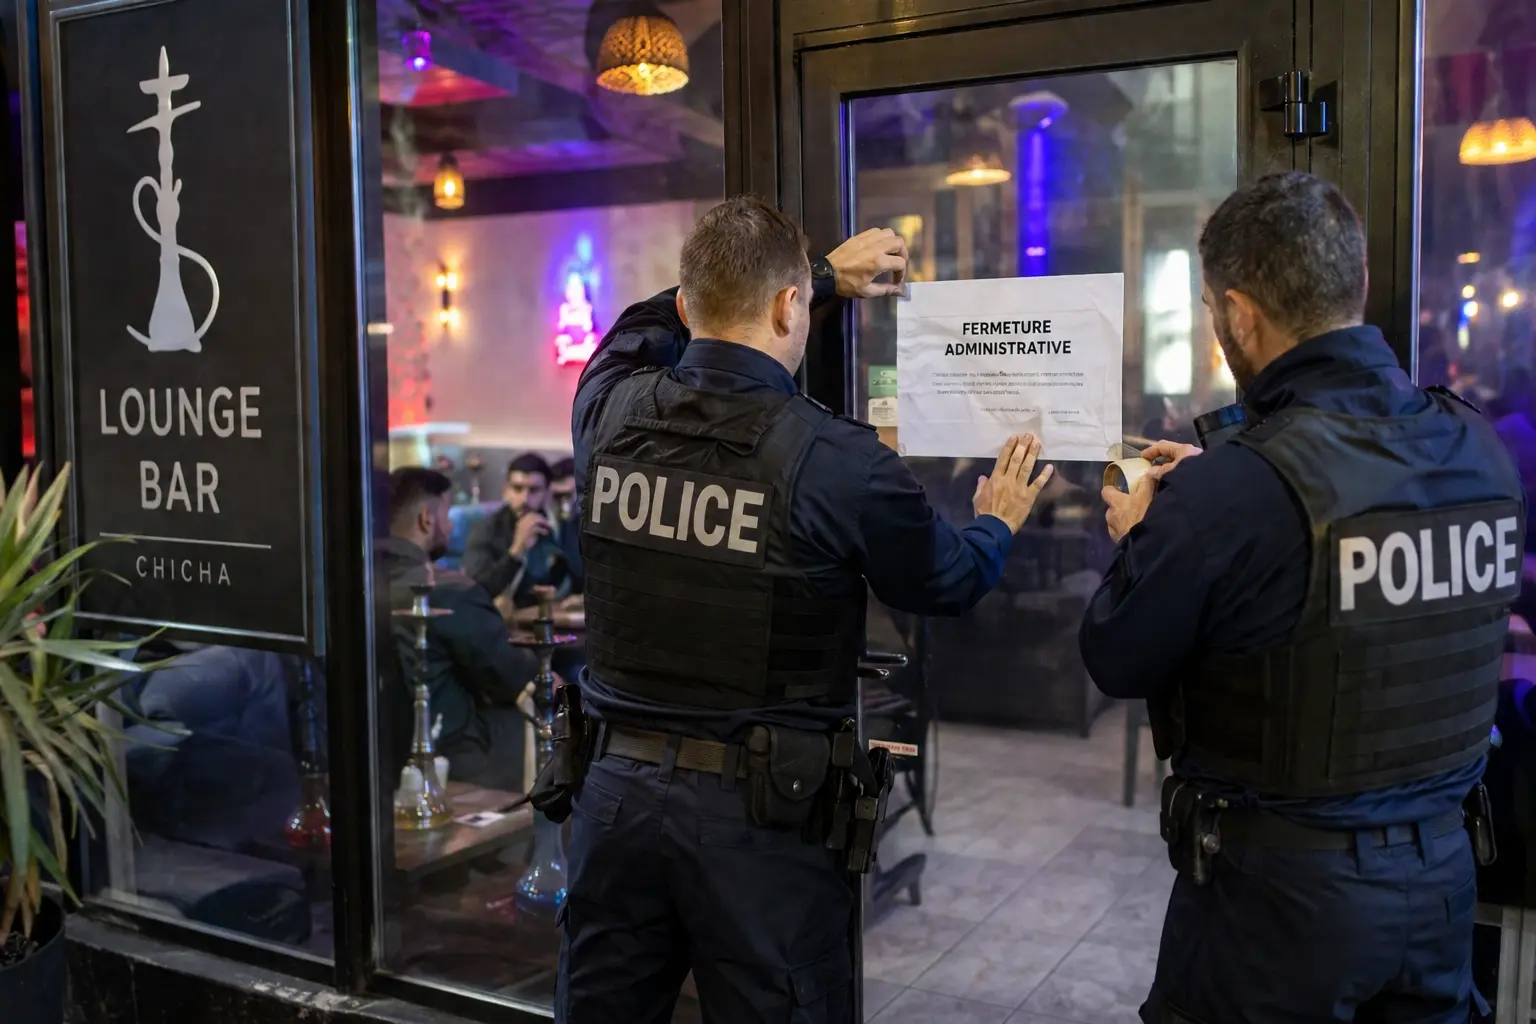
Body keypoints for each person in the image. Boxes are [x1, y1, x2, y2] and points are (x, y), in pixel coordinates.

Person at [551, 196, 1054, 1023]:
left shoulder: (606, 409)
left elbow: (632, 327)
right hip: (760, 826)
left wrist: (822, 274)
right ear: (792, 308)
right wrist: (997, 519)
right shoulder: (836, 458)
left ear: (687, 307)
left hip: (612, 801)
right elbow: (947, 583)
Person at [1080, 172, 1523, 1024]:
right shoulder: (1479, 448)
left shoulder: (1233, 497)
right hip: (1443, 882)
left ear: (1241, 315)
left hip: (1278, 910)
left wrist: (1145, 534)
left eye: (1214, 314)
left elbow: (1117, 654)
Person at [384, 467, 538, 791]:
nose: (451, 525)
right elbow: (511, 676)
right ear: (427, 518)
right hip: (454, 761)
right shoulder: (449, 590)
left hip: (373, 754)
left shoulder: (349, 585)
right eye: (447, 514)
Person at [462, 452, 580, 608]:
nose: (525, 499)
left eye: (534, 490)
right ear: (506, 491)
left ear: (546, 493)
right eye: (517, 489)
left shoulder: (561, 526)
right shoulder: (486, 529)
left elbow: (581, 578)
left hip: (559, 618)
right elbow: (477, 591)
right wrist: (517, 551)